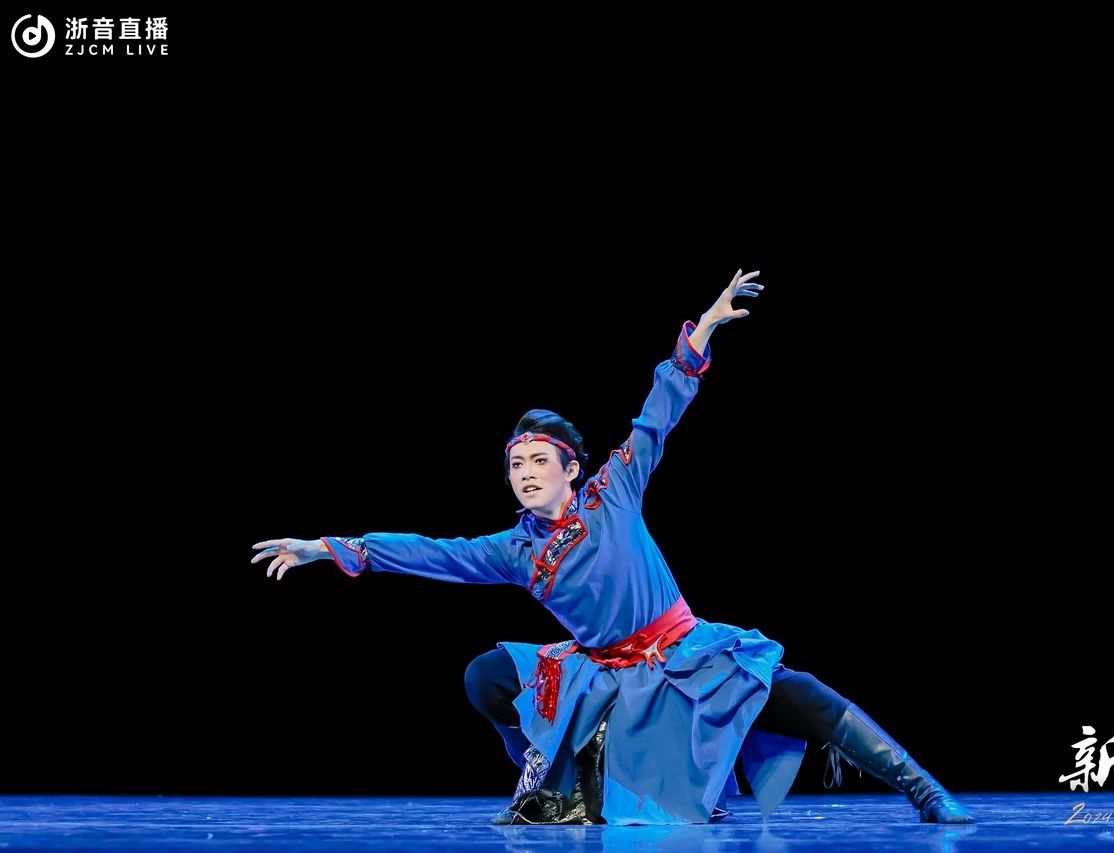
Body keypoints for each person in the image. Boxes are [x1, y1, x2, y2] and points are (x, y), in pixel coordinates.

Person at [251, 270, 974, 826]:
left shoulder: (613, 492)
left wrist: (704, 331)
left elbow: (658, 414)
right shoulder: (513, 550)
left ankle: (923, 788)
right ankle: (544, 774)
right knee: (485, 675)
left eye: (539, 461)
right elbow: (429, 551)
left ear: (571, 468)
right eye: (515, 465)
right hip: (604, 675)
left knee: (798, 693)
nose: (525, 473)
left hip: (683, 654)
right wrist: (328, 548)